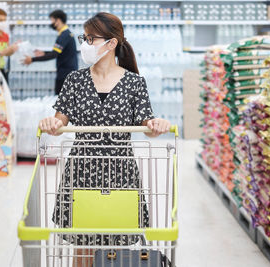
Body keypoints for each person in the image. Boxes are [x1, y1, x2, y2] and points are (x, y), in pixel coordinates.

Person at [38, 12, 171, 266]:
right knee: (83, 248)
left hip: (121, 173)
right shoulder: (75, 81)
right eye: (84, 38)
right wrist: (51, 124)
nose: (84, 44)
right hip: (81, 171)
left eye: (91, 39)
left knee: (115, 250)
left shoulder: (134, 83)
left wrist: (157, 125)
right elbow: (60, 120)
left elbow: (147, 123)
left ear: (111, 43)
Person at [23, 10, 77, 95]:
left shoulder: (64, 35)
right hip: (68, 73)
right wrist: (44, 53)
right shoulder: (66, 34)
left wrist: (32, 59)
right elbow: (58, 52)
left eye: (52, 21)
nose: (51, 23)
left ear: (58, 21)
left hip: (65, 75)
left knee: (62, 102)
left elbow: (54, 54)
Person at [0, 9, 18, 82]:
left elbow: (7, 54)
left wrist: (13, 49)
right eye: (0, 20)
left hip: (3, 68)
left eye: (4, 20)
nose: (3, 23)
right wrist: (8, 50)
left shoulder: (5, 35)